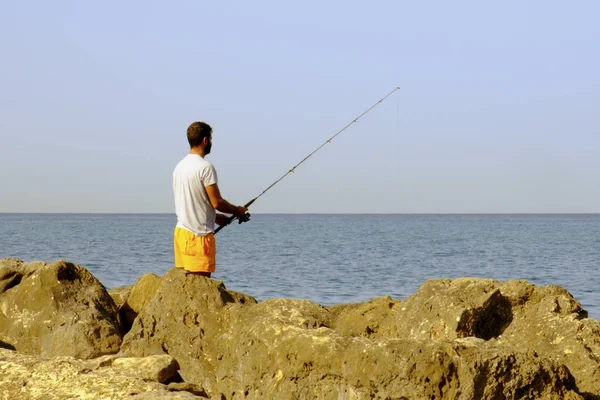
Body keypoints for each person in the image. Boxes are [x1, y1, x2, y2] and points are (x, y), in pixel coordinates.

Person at [172, 121, 249, 278]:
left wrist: (215, 217)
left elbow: (192, 201)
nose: (211, 142)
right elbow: (217, 202)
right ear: (205, 140)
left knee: (188, 287)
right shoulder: (205, 167)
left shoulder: (179, 166)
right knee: (201, 288)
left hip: (181, 233)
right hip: (199, 237)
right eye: (211, 139)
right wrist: (238, 210)